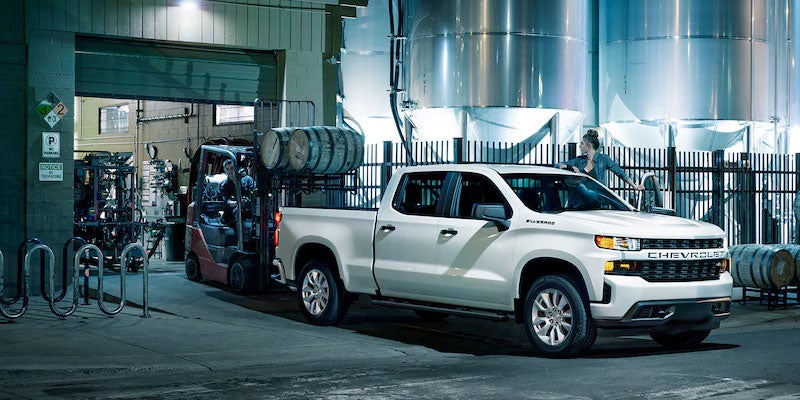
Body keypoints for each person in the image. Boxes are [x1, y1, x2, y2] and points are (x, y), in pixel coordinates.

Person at [556, 129, 644, 191]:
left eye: (582, 144)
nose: (579, 146)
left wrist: (635, 186)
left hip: (596, 201)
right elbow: (557, 165)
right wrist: (569, 167)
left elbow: (620, 173)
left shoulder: (603, 159)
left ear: (589, 145)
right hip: (579, 202)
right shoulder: (579, 160)